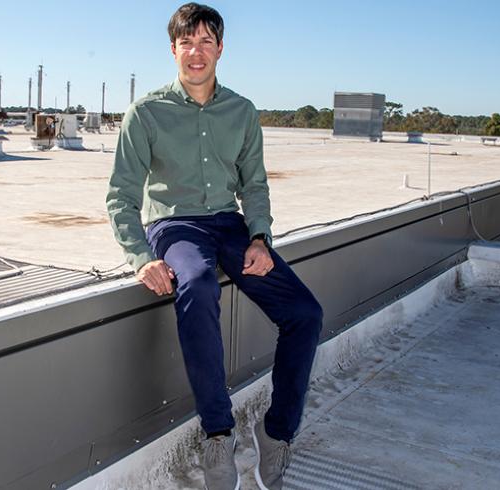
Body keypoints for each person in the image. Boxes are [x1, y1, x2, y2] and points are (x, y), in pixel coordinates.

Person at [105, 4, 323, 489]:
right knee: (199, 284)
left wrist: (262, 238)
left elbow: (256, 186)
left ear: (220, 49)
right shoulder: (146, 113)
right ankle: (217, 434)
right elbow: (120, 196)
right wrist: (141, 258)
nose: (196, 52)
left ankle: (276, 432)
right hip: (174, 226)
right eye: (188, 42)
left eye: (207, 42)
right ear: (173, 50)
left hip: (231, 225)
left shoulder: (241, 111)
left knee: (305, 314)